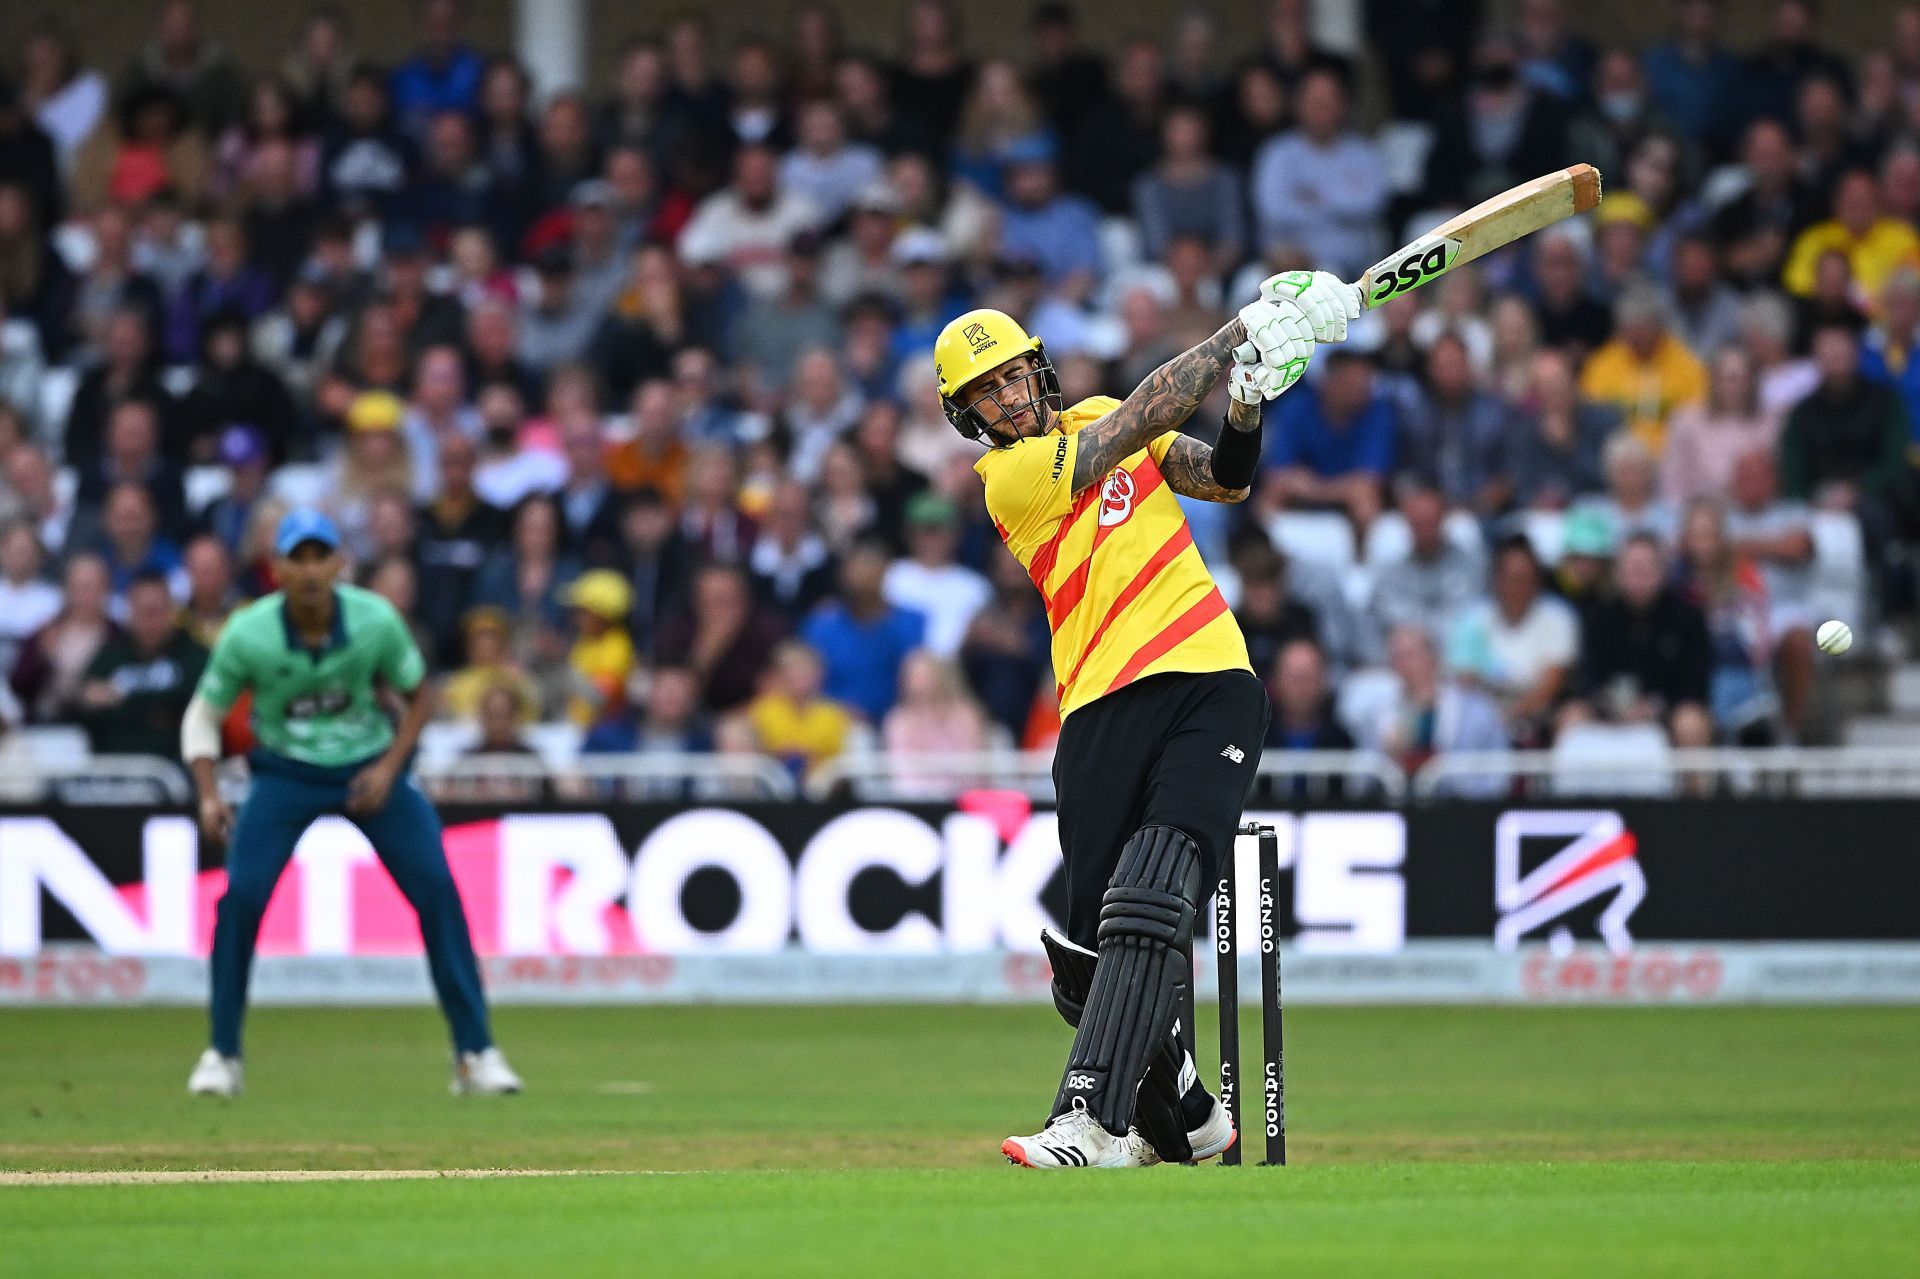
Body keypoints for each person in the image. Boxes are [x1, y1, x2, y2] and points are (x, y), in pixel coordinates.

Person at [933, 262, 1352, 1168]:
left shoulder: (1098, 416)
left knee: (1154, 887)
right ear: (969, 417)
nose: (1007, 398)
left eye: (1012, 376)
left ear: (1036, 371)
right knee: (1092, 965)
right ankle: (1191, 1113)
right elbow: (1144, 419)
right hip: (1096, 706)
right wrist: (1242, 332)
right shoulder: (1009, 478)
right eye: (986, 393)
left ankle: (1088, 1119)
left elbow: (1227, 480)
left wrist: (1245, 402)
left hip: (1208, 677)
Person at [181, 510, 520, 1098]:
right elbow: (204, 715)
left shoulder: (374, 620)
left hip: (368, 769)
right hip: (285, 773)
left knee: (438, 890)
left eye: (320, 557)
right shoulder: (249, 632)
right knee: (240, 900)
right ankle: (222, 1055)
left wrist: (390, 768)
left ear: (340, 564)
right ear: (277, 567)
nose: (310, 571)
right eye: (298, 558)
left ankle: (475, 1053)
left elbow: (420, 697)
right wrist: (208, 795)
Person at [1561, 533, 1713, 748]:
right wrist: (1613, 705)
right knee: (1572, 716)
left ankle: (1692, 783)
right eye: (1632, 569)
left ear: (1663, 572)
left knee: (1692, 721)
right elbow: (1587, 679)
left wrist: (1655, 707)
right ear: (1617, 573)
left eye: (1646, 570)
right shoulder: (1598, 617)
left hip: (1667, 711)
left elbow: (1695, 683)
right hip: (1608, 708)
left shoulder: (1688, 618)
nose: (1638, 579)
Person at [1447, 536, 1580, 746]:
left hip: (1538, 718)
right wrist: (1491, 720)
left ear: (1537, 581)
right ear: (1496, 580)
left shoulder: (1557, 618)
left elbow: (1552, 682)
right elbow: (1464, 681)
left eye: (1525, 579)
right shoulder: (1473, 619)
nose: (1518, 587)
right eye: (1511, 579)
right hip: (1483, 718)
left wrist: (1509, 716)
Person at [71, 571, 207, 759]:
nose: (150, 621)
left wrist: (120, 700)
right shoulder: (111, 654)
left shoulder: (193, 655)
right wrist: (156, 712)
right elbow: (81, 705)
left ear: (171, 611)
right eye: (142, 611)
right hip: (114, 768)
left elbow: (191, 704)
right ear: (130, 611)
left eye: (156, 611)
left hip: (175, 767)